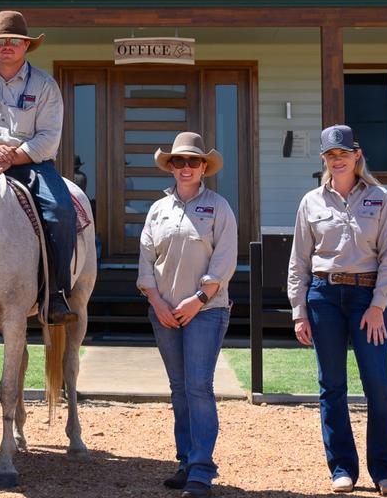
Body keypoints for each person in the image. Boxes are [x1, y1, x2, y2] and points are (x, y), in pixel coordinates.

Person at [288, 125, 387, 496]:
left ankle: (384, 471)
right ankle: (342, 469)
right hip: (323, 298)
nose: (337, 161)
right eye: (330, 156)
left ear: (357, 155)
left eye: (342, 154)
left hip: (366, 299)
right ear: (324, 160)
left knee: (379, 385)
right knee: (331, 386)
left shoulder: (380, 198)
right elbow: (298, 263)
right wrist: (299, 310)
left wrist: (377, 306)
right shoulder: (311, 202)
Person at [0, 10, 75, 323]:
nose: (7, 46)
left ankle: (57, 294)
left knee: (61, 211)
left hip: (32, 165)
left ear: (26, 46)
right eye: (0, 41)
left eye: (14, 41)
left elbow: (49, 138)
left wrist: (12, 155)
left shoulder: (46, 86)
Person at [137, 132, 238, 498]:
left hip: (206, 311)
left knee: (198, 387)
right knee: (179, 390)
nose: (185, 167)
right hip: (164, 312)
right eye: (178, 161)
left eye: (192, 161)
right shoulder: (157, 210)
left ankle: (201, 469)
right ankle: (185, 460)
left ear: (204, 167)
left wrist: (198, 298)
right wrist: (157, 302)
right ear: (171, 167)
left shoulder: (220, 207)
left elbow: (225, 259)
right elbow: (146, 260)